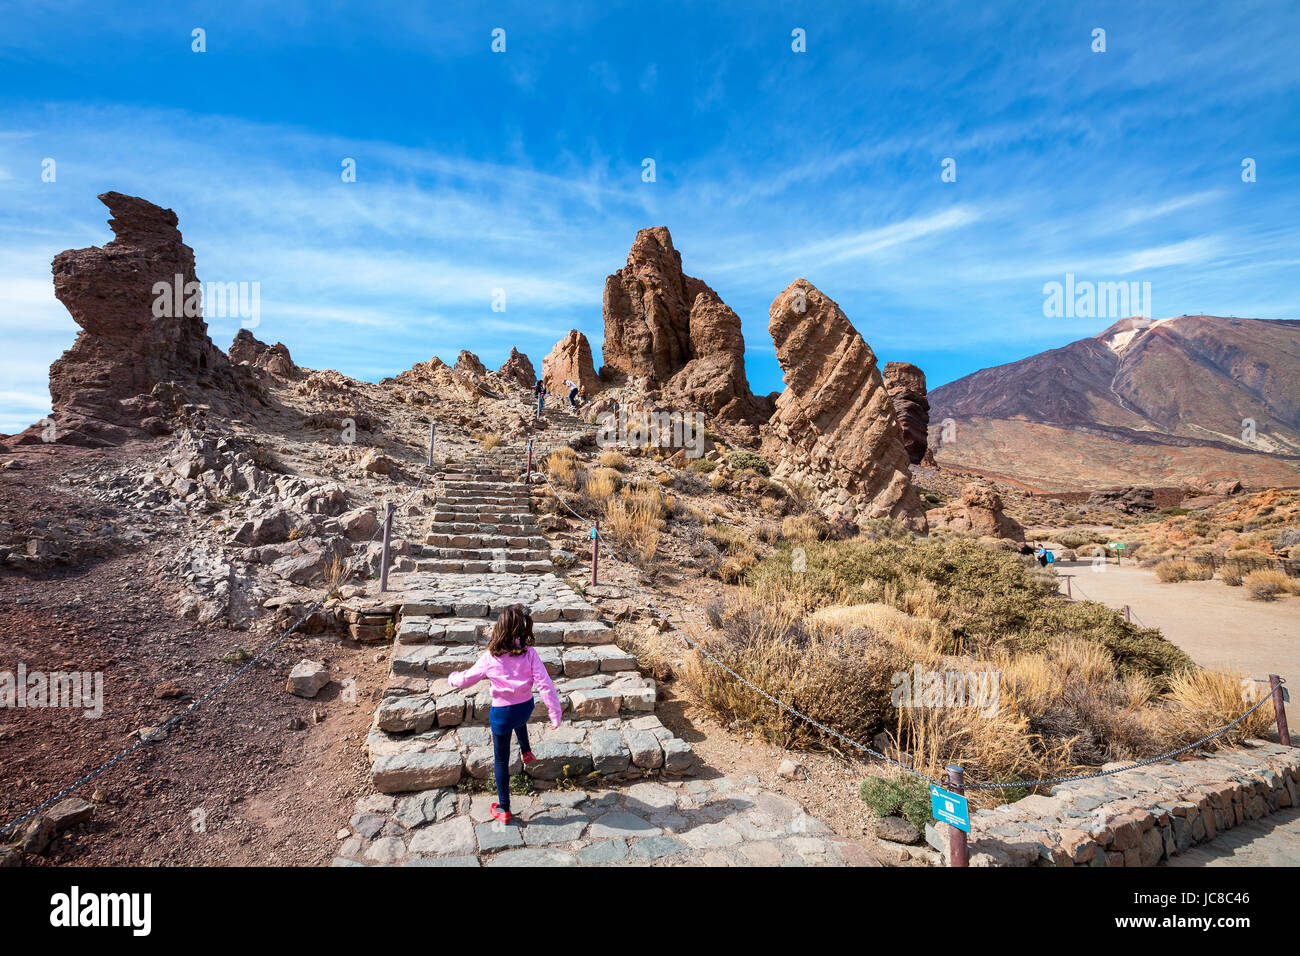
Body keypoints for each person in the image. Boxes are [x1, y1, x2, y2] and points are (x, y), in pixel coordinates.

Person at [447, 605, 562, 824]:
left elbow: (465, 680)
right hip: (525, 708)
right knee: (518, 719)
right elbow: (545, 684)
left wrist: (452, 677)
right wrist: (554, 713)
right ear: (522, 629)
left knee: (501, 760)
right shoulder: (530, 653)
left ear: (498, 629)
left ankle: (504, 808)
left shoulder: (491, 657)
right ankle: (526, 750)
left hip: (502, 715)